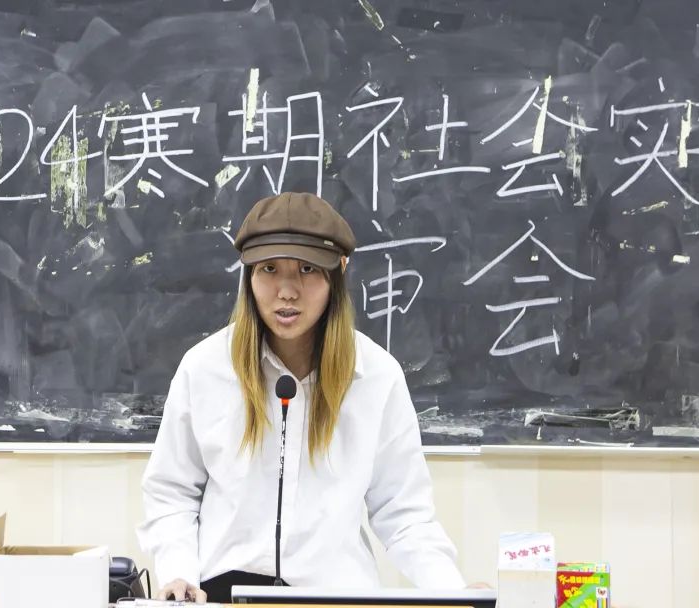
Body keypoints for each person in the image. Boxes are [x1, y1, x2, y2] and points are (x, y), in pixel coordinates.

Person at [137, 192, 469, 603]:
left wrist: (456, 593)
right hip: (224, 594)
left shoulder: (377, 377)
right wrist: (179, 572)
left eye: (308, 269)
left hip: (337, 597)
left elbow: (403, 514)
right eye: (269, 269)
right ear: (248, 274)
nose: (287, 291)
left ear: (339, 271)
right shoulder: (205, 368)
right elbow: (171, 492)